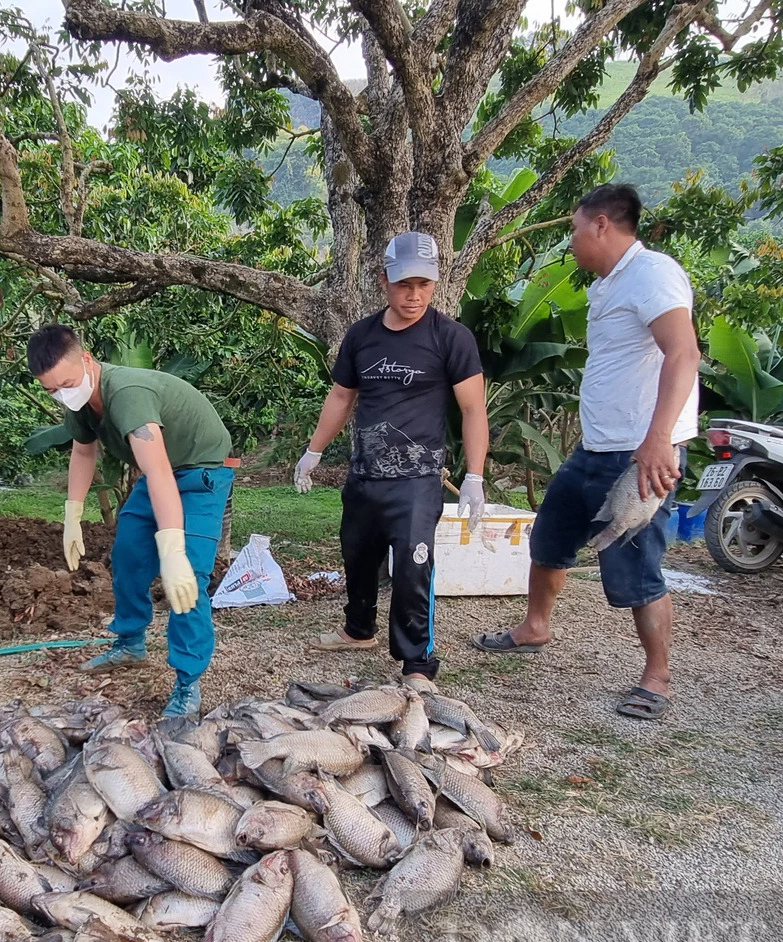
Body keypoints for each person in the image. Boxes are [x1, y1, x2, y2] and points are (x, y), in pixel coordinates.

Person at [472, 184, 700, 720]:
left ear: (601, 224)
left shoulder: (653, 274)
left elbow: (683, 353)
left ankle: (656, 677)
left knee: (634, 563)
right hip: (597, 448)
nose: (572, 242)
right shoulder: (608, 285)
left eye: (575, 230)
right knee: (550, 535)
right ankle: (535, 626)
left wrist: (658, 439)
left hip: (640, 454)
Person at [295, 231, 489, 688]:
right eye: (404, 284)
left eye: (424, 284)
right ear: (384, 280)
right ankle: (358, 629)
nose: (414, 294)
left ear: (435, 283)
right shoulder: (362, 336)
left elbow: (472, 408)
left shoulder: (450, 338)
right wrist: (313, 451)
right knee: (357, 557)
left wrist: (475, 475)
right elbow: (342, 395)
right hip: (364, 474)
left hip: (418, 481)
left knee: (412, 568)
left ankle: (417, 661)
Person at [33, 325, 234, 718]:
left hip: (201, 472)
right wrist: (72, 514)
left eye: (67, 384)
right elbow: (83, 452)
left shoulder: (126, 395)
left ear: (88, 360)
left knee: (186, 577)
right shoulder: (77, 400)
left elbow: (159, 473)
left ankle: (188, 682)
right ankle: (130, 642)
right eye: (51, 390)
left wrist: (173, 550)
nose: (62, 394)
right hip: (160, 469)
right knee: (128, 553)